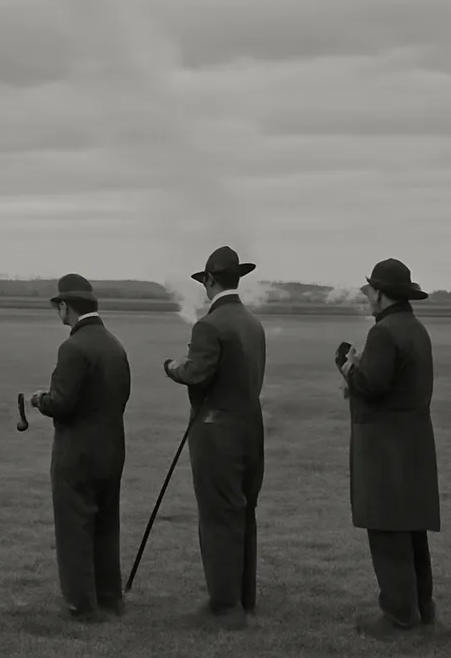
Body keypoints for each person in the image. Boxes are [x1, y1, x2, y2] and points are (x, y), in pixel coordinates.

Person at [334, 258, 439, 639]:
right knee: (411, 530)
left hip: (385, 448)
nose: (367, 298)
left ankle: (398, 617)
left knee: (388, 529)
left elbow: (373, 385)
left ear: (379, 293)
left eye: (370, 292)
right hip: (413, 443)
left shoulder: (384, 332)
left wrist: (347, 368)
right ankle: (421, 610)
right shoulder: (416, 328)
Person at [162, 246, 266, 630]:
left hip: (216, 433)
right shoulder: (253, 323)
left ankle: (225, 608)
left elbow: (197, 374)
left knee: (219, 516)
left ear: (209, 281)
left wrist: (173, 367)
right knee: (243, 513)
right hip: (250, 429)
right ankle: (244, 599)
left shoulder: (209, 325)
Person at [29, 273, 131, 620]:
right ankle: (110, 598)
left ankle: (81, 603)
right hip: (112, 449)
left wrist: (40, 400)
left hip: (77, 452)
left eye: (58, 306)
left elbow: (62, 403)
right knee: (106, 526)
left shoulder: (73, 347)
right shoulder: (114, 344)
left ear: (66, 307)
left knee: (74, 526)